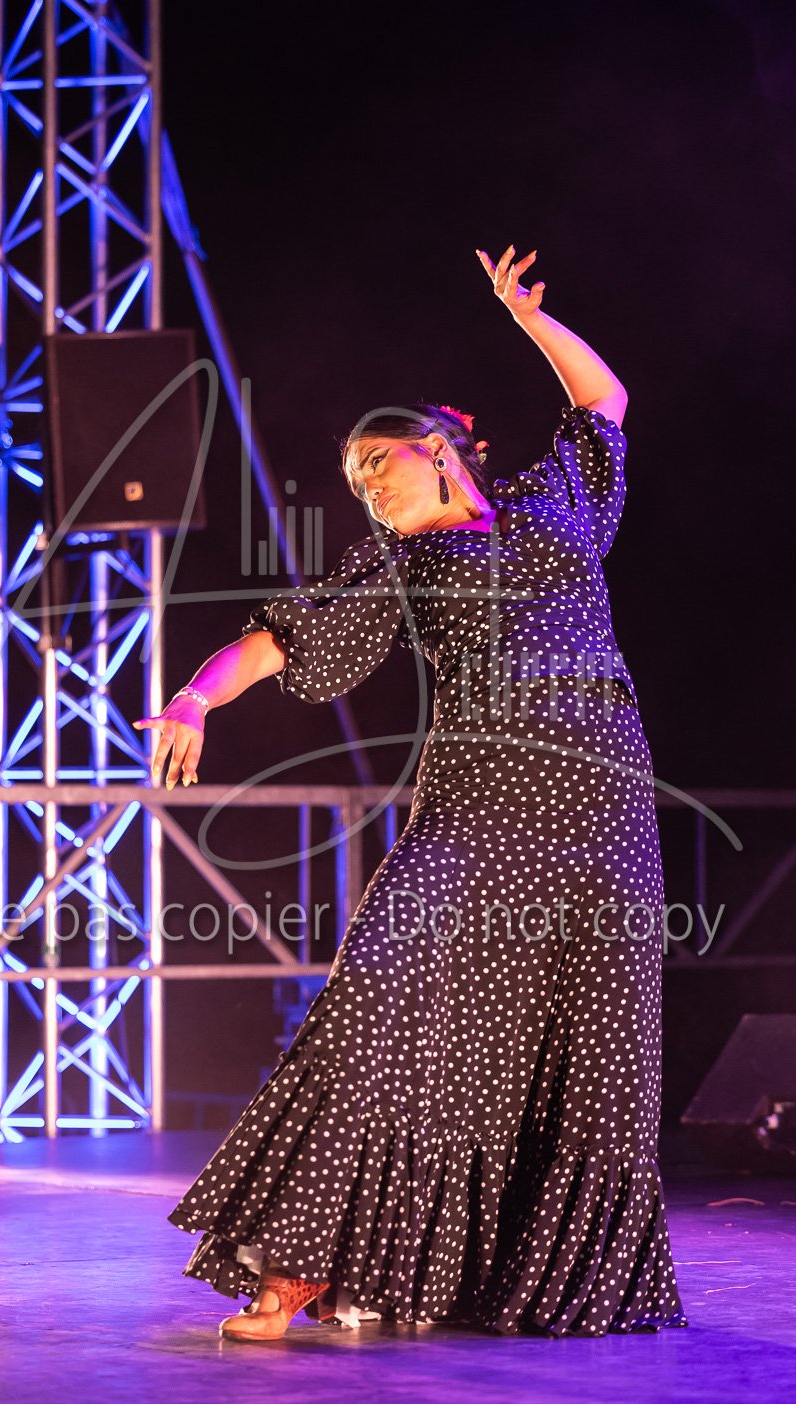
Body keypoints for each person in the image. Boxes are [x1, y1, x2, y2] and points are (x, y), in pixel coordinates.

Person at [135, 245, 689, 1342]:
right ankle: (297, 1269)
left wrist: (529, 320)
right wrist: (196, 697)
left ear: (438, 449)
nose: (366, 488)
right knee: (381, 1003)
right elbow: (276, 638)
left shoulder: (553, 504)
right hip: (478, 805)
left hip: (600, 805)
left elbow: (603, 405)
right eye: (353, 482)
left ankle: (518, 1273)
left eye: (375, 466)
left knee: (583, 1045)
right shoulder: (396, 562)